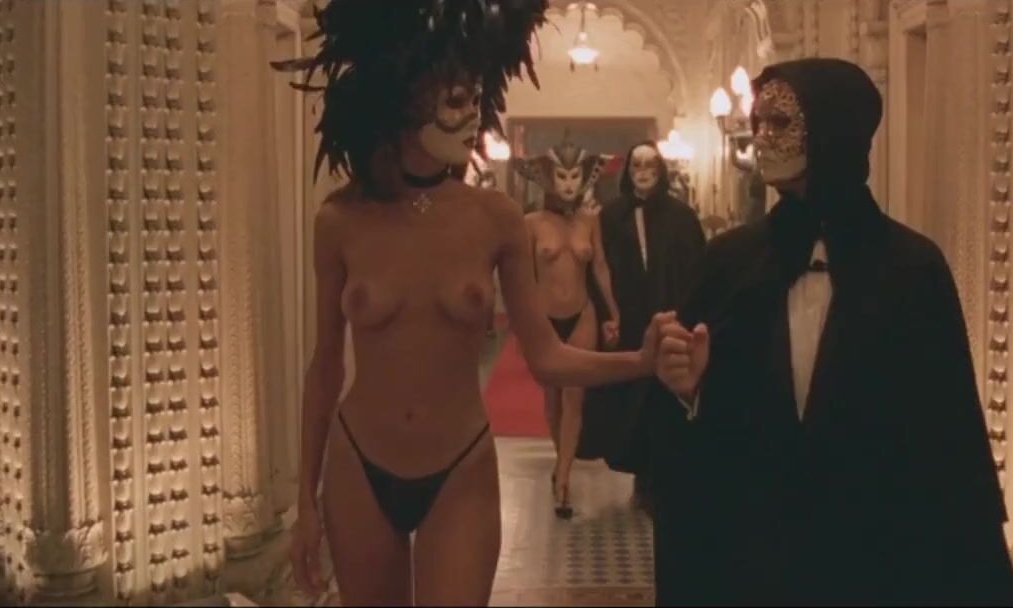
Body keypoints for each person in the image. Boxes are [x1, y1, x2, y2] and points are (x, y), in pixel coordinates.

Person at [271, 2, 667, 605]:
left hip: (461, 467)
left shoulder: (494, 217)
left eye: (478, 97)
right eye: (457, 98)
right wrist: (305, 501)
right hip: (359, 463)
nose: (474, 114)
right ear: (402, 93)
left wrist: (641, 361)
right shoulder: (342, 220)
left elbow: (546, 355)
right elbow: (324, 365)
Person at [650, 58, 1013, 605]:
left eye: (781, 123)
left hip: (873, 553)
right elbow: (698, 438)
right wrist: (691, 392)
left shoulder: (910, 269)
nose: (761, 138)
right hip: (756, 554)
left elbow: (946, 433)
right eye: (758, 122)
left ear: (833, 132)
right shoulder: (729, 263)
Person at [582, 141, 705, 513]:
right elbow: (598, 270)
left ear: (661, 169)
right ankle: (640, 474)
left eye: (651, 164)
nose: (643, 171)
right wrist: (608, 316)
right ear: (628, 171)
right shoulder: (611, 216)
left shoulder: (682, 217)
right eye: (637, 165)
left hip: (672, 319)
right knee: (631, 402)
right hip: (630, 322)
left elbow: (698, 270)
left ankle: (661, 477)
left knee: (666, 400)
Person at [511, 136, 621, 519]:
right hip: (545, 318)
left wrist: (613, 312)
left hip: (582, 314)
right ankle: (562, 459)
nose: (569, 183)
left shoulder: (590, 221)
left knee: (575, 397)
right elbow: (521, 276)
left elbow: (600, 267)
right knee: (553, 398)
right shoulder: (531, 223)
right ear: (549, 178)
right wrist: (522, 320)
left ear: (585, 178)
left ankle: (563, 478)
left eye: (575, 175)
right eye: (562, 175)